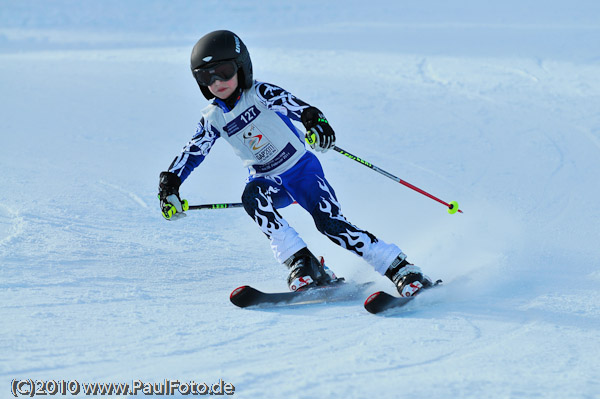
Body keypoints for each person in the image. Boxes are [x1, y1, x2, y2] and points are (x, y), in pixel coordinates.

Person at [158, 30, 432, 297]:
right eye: (207, 76)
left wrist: (316, 123)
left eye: (225, 71)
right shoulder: (212, 117)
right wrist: (171, 181)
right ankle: (301, 261)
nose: (218, 81)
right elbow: (194, 150)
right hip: (267, 180)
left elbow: (302, 109)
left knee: (330, 224)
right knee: (252, 197)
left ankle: (401, 268)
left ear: (241, 67)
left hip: (301, 171)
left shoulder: (260, 92)